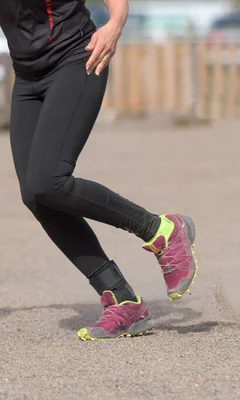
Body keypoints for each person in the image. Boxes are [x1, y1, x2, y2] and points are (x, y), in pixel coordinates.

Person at [0, 0, 198, 340]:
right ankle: (121, 298)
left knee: (50, 180)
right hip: (27, 77)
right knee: (35, 194)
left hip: (78, 58)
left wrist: (116, 23)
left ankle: (161, 230)